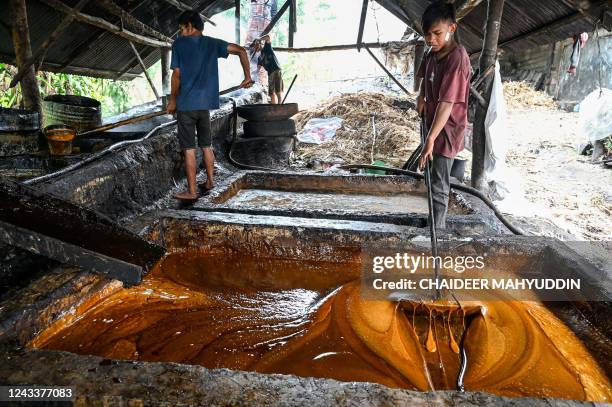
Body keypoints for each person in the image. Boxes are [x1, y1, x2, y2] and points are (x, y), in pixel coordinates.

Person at [167, 10, 253, 201]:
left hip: (187, 106)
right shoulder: (212, 43)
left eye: (182, 29)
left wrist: (173, 100)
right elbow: (241, 50)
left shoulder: (179, 44)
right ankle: (210, 181)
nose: (181, 33)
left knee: (188, 148)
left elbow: (177, 75)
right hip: (205, 106)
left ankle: (191, 192)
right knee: (206, 145)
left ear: (190, 26)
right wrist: (247, 76)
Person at [416, 1, 471, 229]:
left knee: (439, 182)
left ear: (452, 29)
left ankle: (437, 232)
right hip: (431, 124)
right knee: (430, 176)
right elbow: (423, 84)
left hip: (447, 129)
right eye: (427, 35)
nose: (431, 39)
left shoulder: (456, 58)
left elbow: (447, 104)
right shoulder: (431, 54)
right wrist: (420, 97)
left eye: (437, 33)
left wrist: (430, 140)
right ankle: (432, 220)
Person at [252, 34, 284, 104]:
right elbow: (257, 70)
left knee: (278, 91)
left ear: (259, 44)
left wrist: (259, 39)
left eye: (255, 46)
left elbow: (268, 37)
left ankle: (280, 106)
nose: (254, 48)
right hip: (270, 73)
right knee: (271, 93)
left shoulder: (267, 47)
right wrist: (252, 75)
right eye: (253, 47)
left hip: (276, 69)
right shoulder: (259, 58)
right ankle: (274, 108)